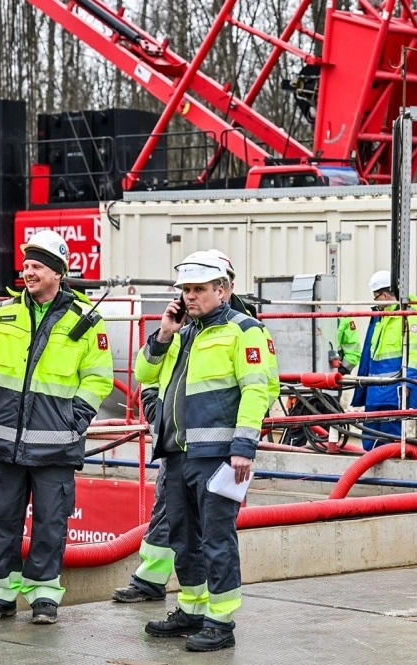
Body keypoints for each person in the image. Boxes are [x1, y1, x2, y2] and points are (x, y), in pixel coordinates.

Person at [112, 248, 279, 605]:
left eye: (199, 289)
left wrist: (243, 447)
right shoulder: (181, 333)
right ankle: (191, 610)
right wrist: (163, 334)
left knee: (216, 540)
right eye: (186, 290)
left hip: (216, 455)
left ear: (223, 289)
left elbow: (257, 391)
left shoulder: (245, 330)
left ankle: (220, 620)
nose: (190, 296)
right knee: (184, 540)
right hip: (177, 454)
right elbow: (145, 373)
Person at [0, 229, 114, 625]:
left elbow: (98, 378)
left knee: (51, 522)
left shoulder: (85, 321)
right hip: (5, 441)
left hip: (57, 443)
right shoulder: (3, 314)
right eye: (27, 265)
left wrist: (75, 419)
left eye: (37, 266)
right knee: (2, 520)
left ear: (57, 273)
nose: (28, 272)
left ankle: (44, 596)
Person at [351, 270, 417, 450]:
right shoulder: (381, 318)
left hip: (394, 389)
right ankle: (370, 465)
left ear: (384, 295)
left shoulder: (409, 317)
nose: (375, 302)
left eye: (376, 297)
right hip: (375, 389)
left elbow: (415, 354)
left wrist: (409, 383)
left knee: (390, 440)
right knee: (370, 437)